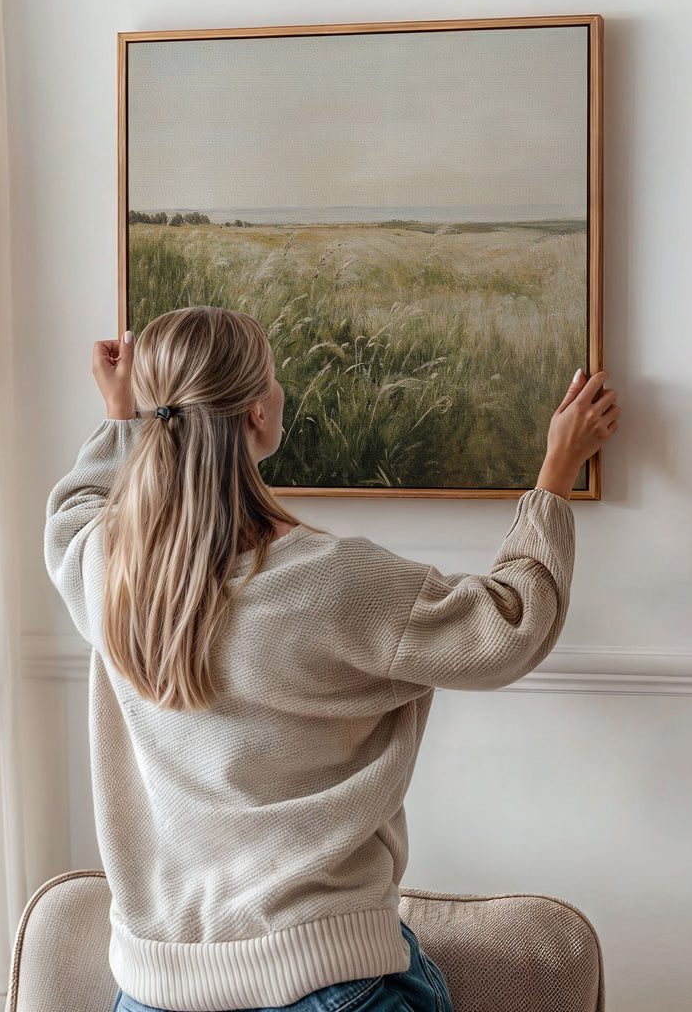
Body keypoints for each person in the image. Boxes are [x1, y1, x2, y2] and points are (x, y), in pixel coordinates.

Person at [44, 305, 620, 1012]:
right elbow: (509, 624)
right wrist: (555, 472)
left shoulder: (108, 572)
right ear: (258, 414)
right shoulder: (332, 581)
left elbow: (72, 510)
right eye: (275, 377)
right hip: (323, 983)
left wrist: (120, 417)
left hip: (152, 993)